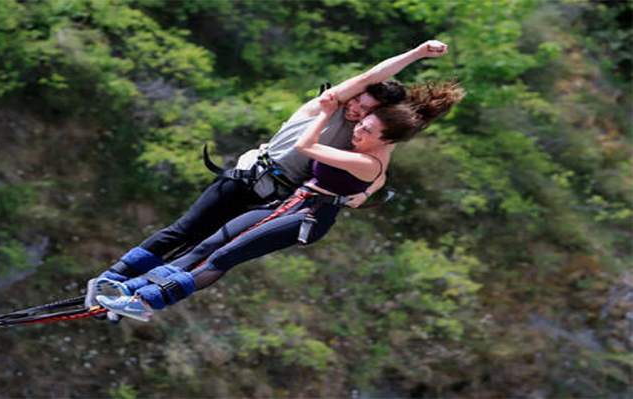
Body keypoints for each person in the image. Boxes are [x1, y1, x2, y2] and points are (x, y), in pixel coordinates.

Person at [85, 41, 452, 306]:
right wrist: (418, 54)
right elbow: (372, 75)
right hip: (246, 180)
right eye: (357, 100)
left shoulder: (363, 138)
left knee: (214, 251)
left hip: (277, 199)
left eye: (367, 108)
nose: (357, 109)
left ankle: (137, 294)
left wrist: (364, 195)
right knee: (185, 231)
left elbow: (379, 167)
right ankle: (113, 277)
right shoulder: (325, 107)